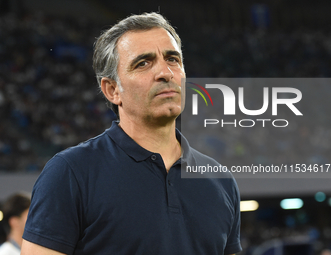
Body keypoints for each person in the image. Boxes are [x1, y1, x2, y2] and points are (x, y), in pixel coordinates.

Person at [21, 12, 242, 255]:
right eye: (143, 63)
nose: (165, 73)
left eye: (172, 59)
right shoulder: (69, 173)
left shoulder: (221, 181)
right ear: (112, 90)